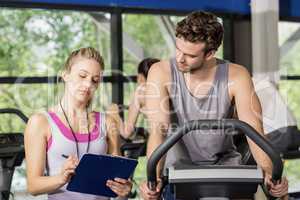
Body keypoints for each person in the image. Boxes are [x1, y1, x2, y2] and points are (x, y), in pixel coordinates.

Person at [139, 11, 289, 200]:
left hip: (225, 169)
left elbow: (254, 131)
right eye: (178, 49)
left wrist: (269, 173)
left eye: (190, 55)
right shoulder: (160, 72)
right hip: (179, 173)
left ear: (210, 53)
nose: (180, 58)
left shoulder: (236, 76)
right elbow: (158, 130)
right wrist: (154, 178)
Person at [24, 47, 132, 200]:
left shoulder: (108, 122)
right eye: (82, 76)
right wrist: (61, 178)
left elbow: (117, 185)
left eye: (95, 80)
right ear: (65, 75)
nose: (88, 84)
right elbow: (33, 186)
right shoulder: (40, 122)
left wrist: (124, 191)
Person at [107, 58, 160, 139]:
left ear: (140, 77)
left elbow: (126, 133)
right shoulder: (168, 89)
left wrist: (114, 114)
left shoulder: (140, 92)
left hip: (161, 143)